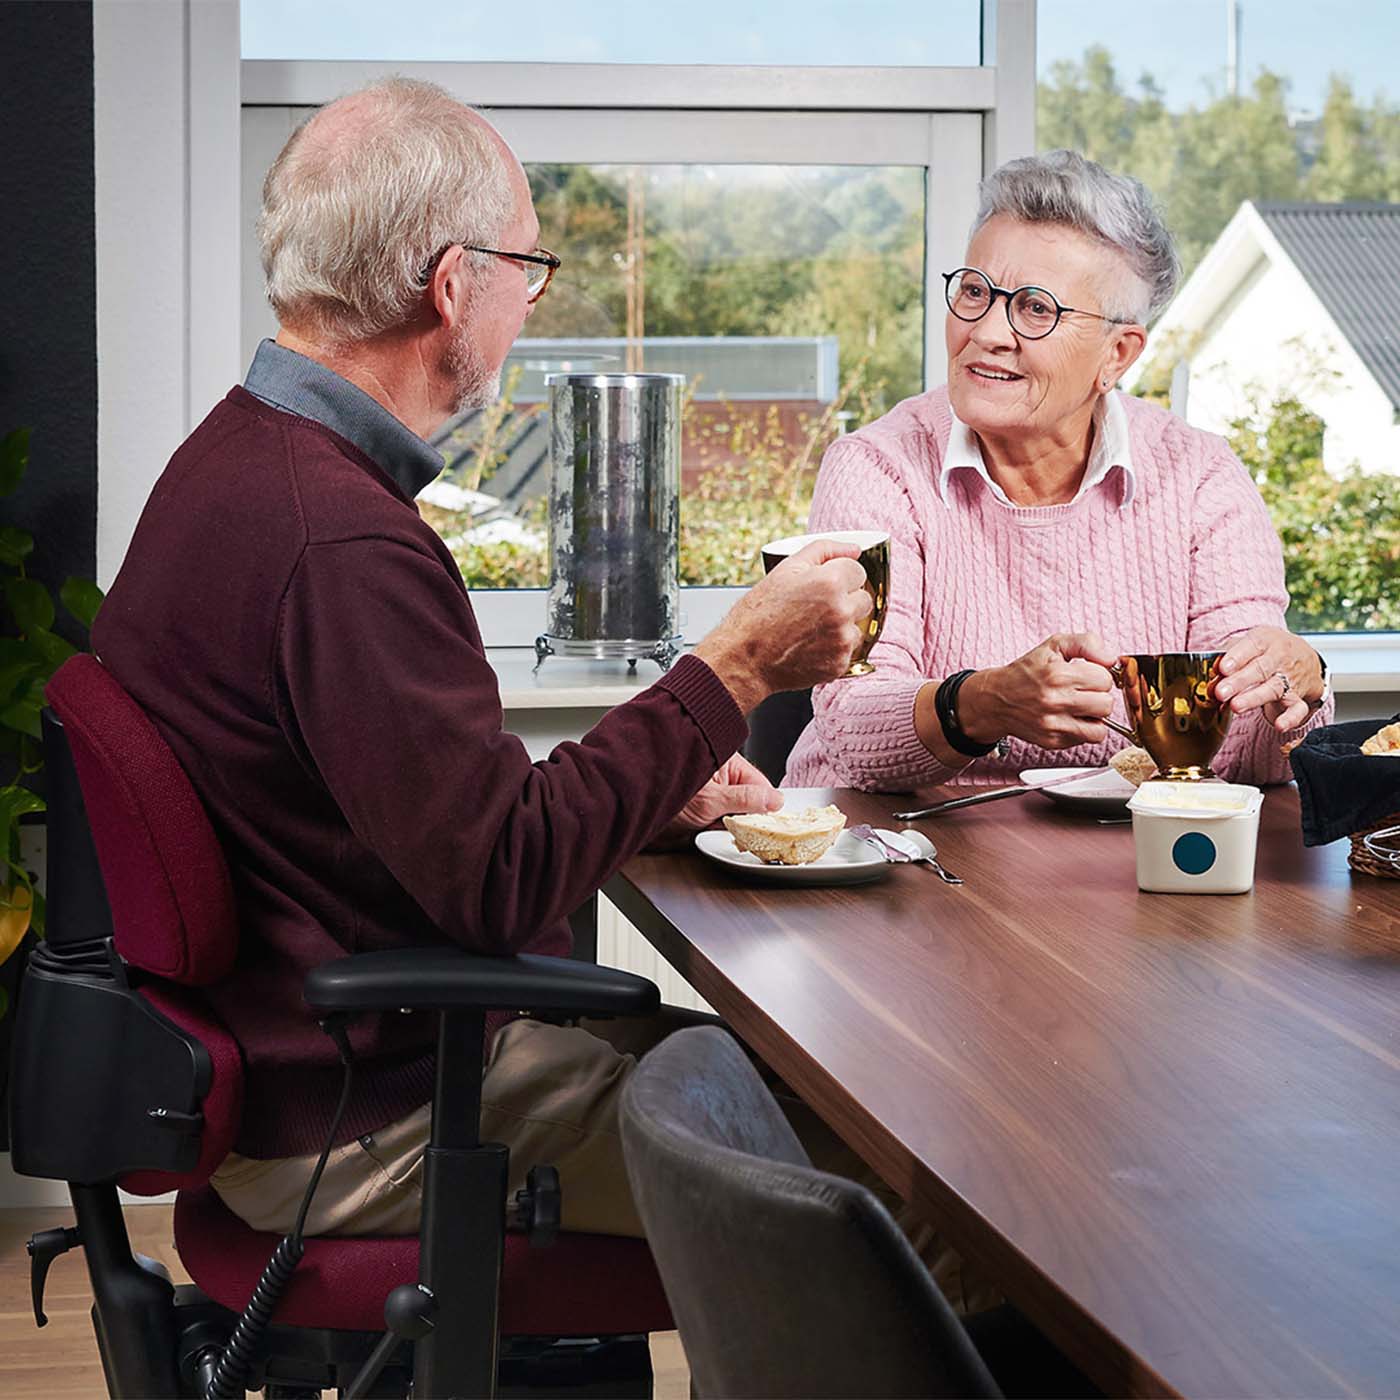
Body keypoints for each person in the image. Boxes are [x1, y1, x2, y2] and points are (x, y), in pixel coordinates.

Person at [90, 79, 887, 1265]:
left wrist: (647, 791)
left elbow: (433, 819)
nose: (528, 300)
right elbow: (503, 881)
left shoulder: (234, 463)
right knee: (901, 1182)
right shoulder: (338, 539)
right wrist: (738, 659)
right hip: (383, 1117)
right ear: (452, 283)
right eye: (528, 268)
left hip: (331, 1069)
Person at [785, 149, 1334, 792]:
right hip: (885, 851)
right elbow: (854, 732)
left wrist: (1297, 688)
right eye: (974, 292)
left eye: (1035, 309)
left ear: (1117, 353)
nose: (987, 332)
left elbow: (1241, 750)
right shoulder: (878, 468)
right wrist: (984, 704)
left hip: (1120, 861)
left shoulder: (1201, 476)